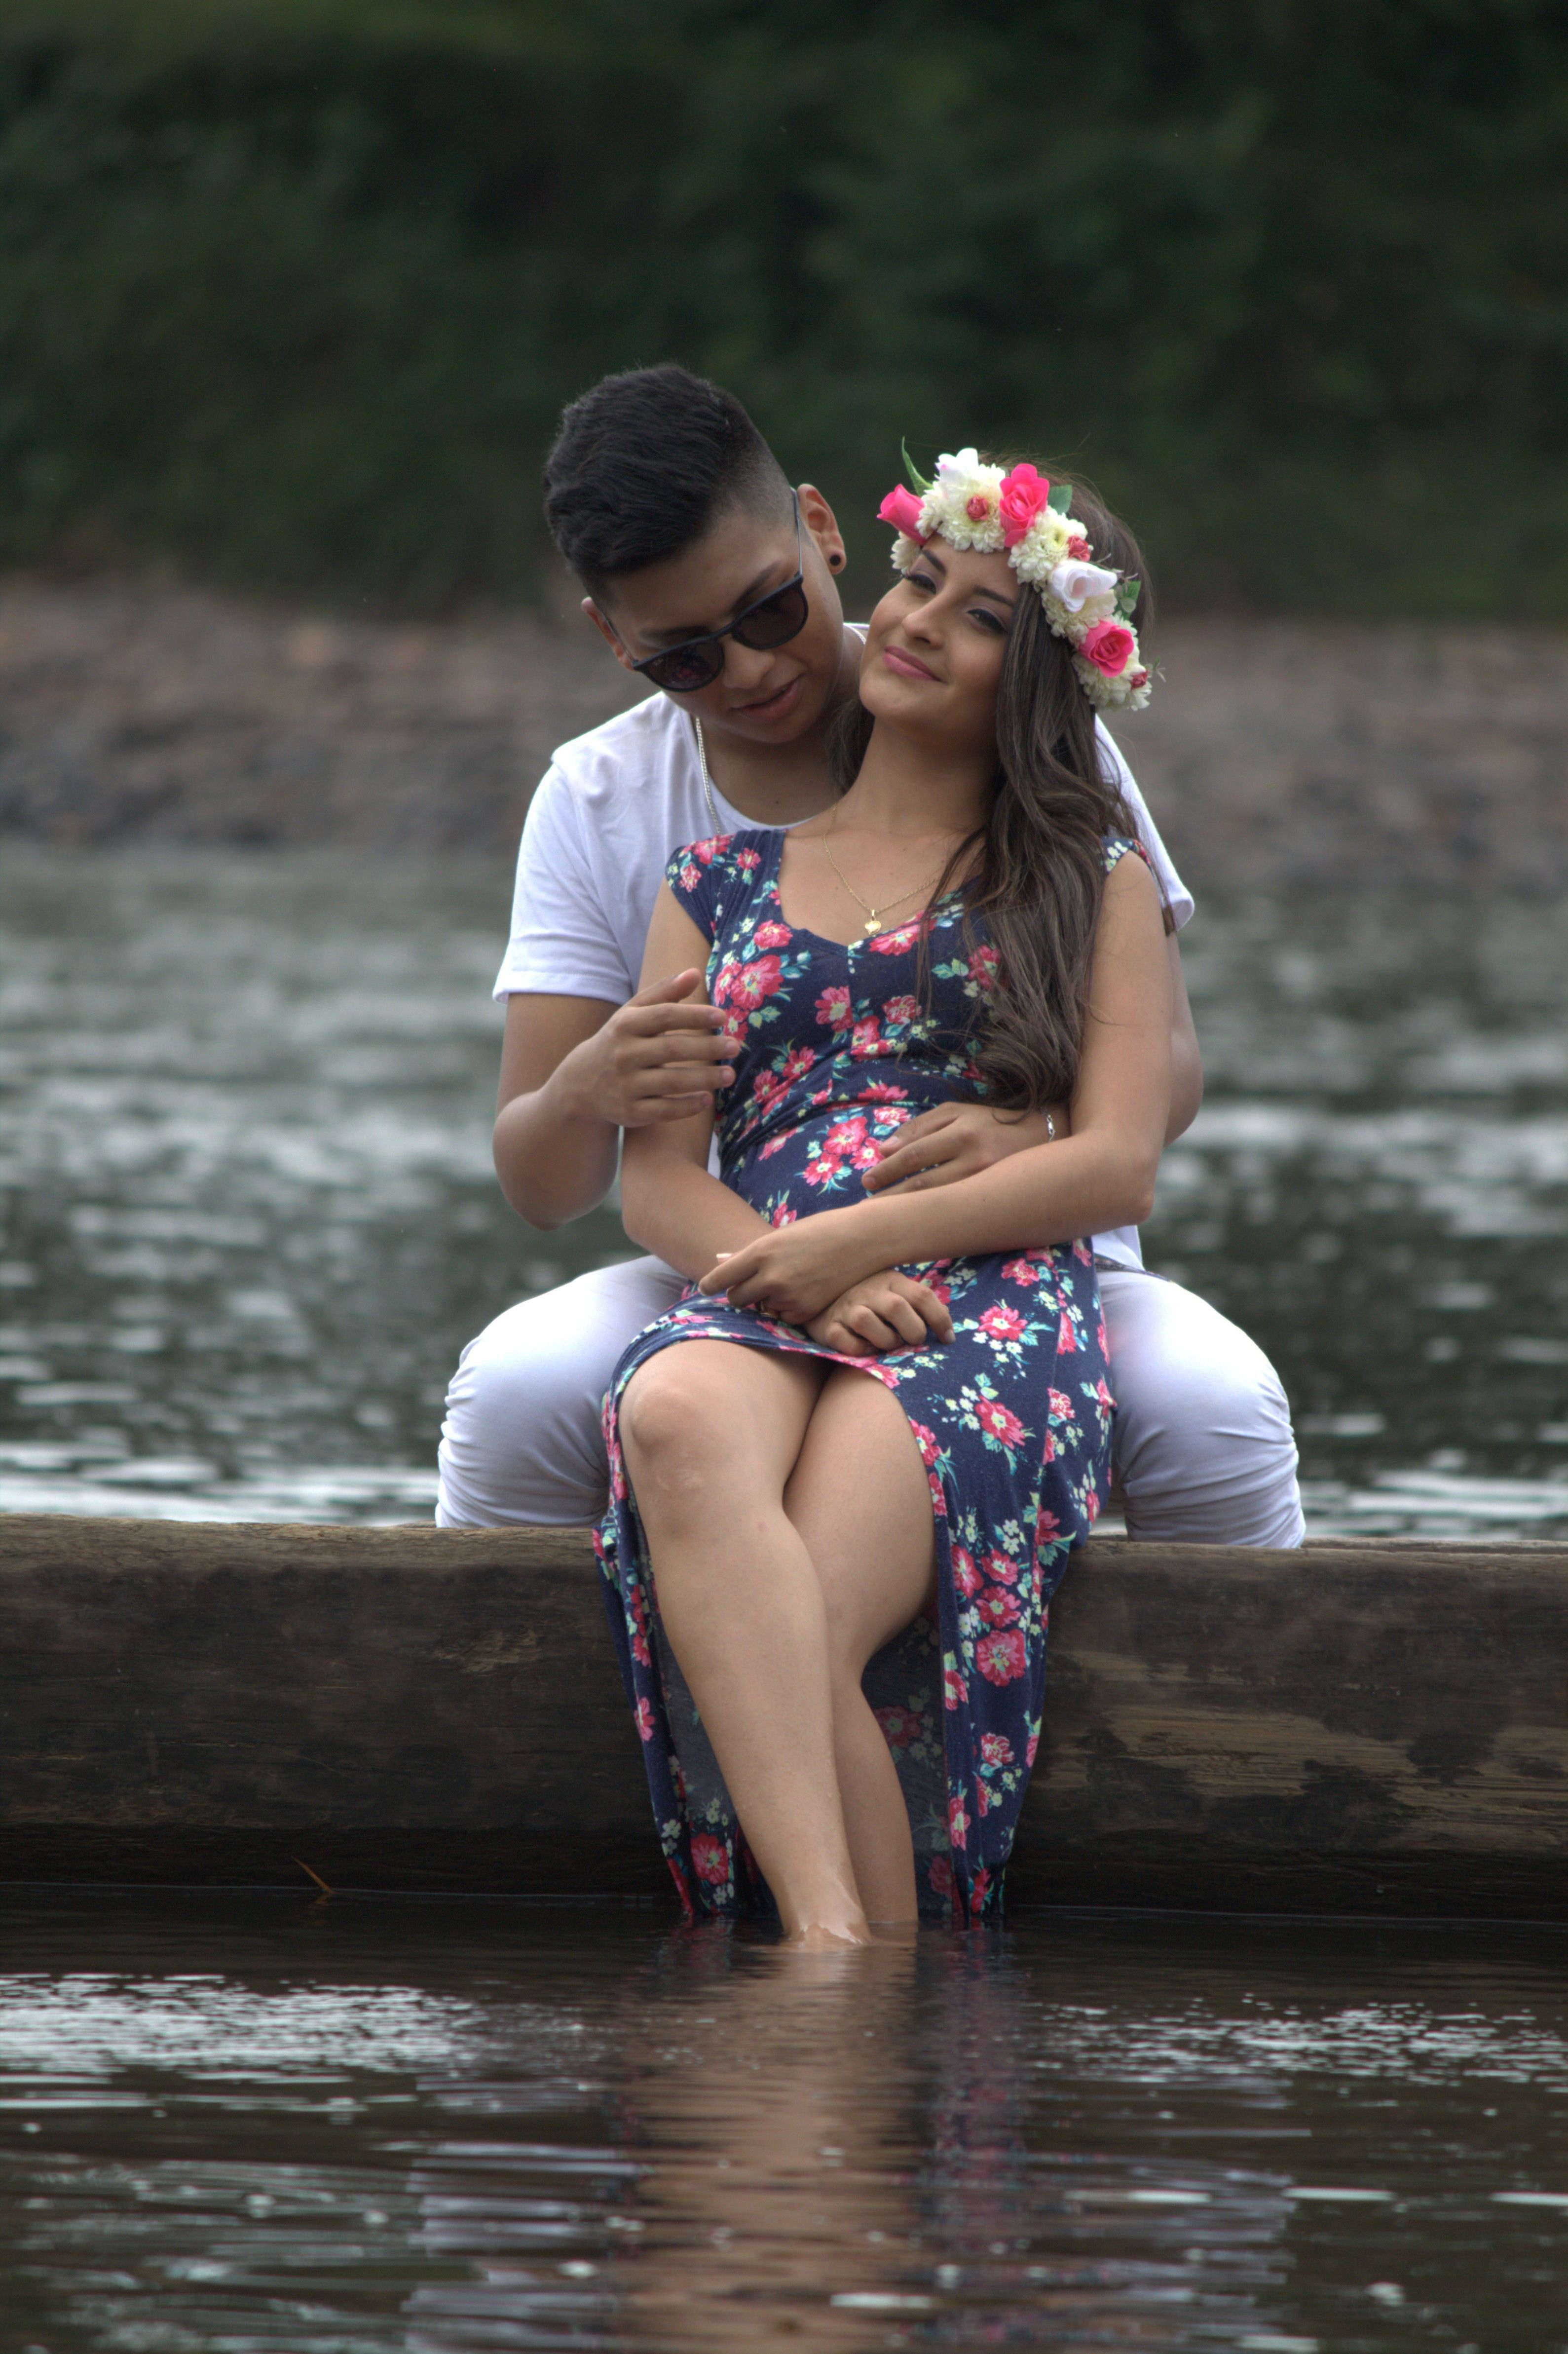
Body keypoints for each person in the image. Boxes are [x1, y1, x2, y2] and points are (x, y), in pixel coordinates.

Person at [435, 366, 1303, 1548]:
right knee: (516, 1387)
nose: (746, 672)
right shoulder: (601, 801)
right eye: (683, 658)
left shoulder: (1022, 730)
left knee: (1213, 1403)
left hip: (1032, 1241)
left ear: (823, 532)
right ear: (612, 638)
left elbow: (1169, 1074)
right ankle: (497, 1662)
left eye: (766, 612)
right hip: (737, 1246)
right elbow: (547, 1188)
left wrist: (1043, 1129)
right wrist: (587, 1091)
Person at [597, 441, 1172, 1942]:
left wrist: (870, 1240)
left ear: (1040, 676)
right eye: (918, 580)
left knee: (820, 1602)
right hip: (773, 1273)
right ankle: (842, 1957)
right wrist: (811, 1270)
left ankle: (835, 1970)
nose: (913, 620)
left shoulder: (1085, 875)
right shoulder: (713, 882)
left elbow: (1119, 1157)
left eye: (980, 616)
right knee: (672, 1415)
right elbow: (652, 1182)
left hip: (979, 1293)